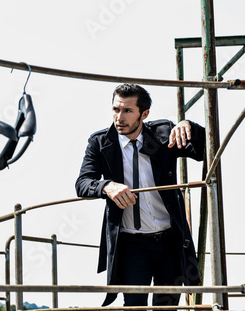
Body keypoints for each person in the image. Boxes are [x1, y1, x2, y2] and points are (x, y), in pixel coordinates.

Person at [75, 83, 205, 307]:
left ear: (144, 114)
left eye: (127, 111)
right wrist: (107, 186)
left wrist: (190, 127)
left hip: (170, 241)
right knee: (135, 305)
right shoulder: (100, 142)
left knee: (167, 306)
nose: (119, 117)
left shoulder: (163, 135)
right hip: (131, 244)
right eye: (116, 109)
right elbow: (83, 183)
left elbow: (205, 150)